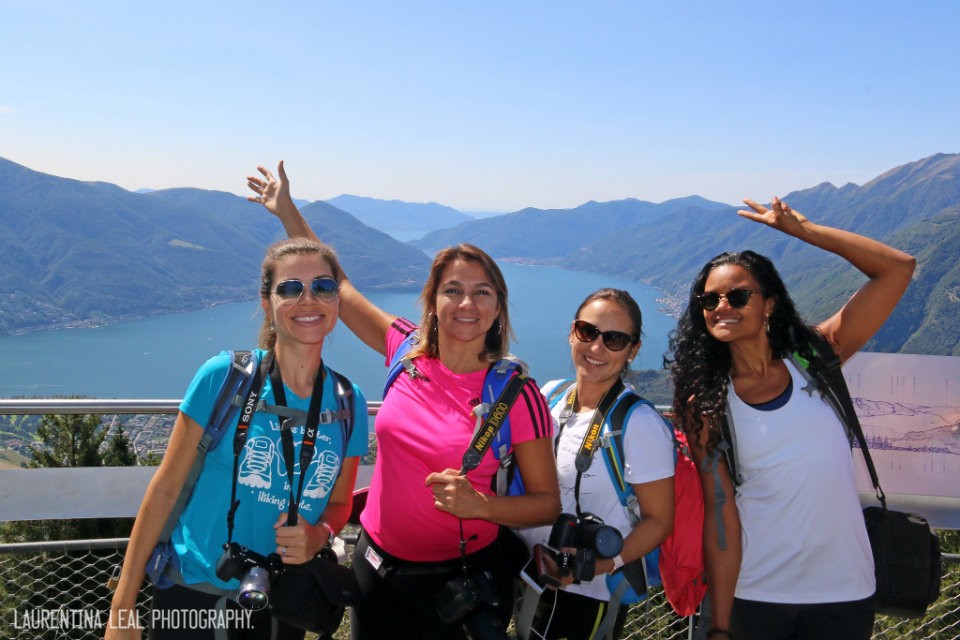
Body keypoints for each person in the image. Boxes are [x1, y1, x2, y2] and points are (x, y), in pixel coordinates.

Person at [247, 161, 561, 640]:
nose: (466, 304)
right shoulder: (404, 349)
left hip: (462, 582)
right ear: (433, 300)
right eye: (452, 290)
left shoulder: (518, 394)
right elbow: (340, 286)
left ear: (498, 307)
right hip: (377, 571)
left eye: (482, 292)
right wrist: (287, 212)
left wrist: (483, 505)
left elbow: (546, 504)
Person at [668, 197, 916, 640]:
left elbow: (898, 269)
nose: (721, 306)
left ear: (769, 305)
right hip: (754, 595)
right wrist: (720, 625)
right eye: (709, 299)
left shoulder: (816, 355)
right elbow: (721, 517)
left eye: (738, 295)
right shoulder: (706, 403)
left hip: (844, 592)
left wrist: (806, 231)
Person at [105, 237, 369, 640]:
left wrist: (321, 535)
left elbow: (338, 503)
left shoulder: (349, 404)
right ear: (267, 302)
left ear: (336, 300)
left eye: (323, 286)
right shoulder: (224, 379)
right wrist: (122, 608)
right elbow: (164, 490)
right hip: (192, 593)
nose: (308, 299)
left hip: (282, 602)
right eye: (290, 288)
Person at [517, 288, 675, 640]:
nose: (596, 347)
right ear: (572, 332)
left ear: (633, 350)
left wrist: (597, 566)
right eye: (588, 331)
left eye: (615, 339)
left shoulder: (638, 423)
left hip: (592, 592)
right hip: (534, 575)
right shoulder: (551, 395)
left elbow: (660, 521)